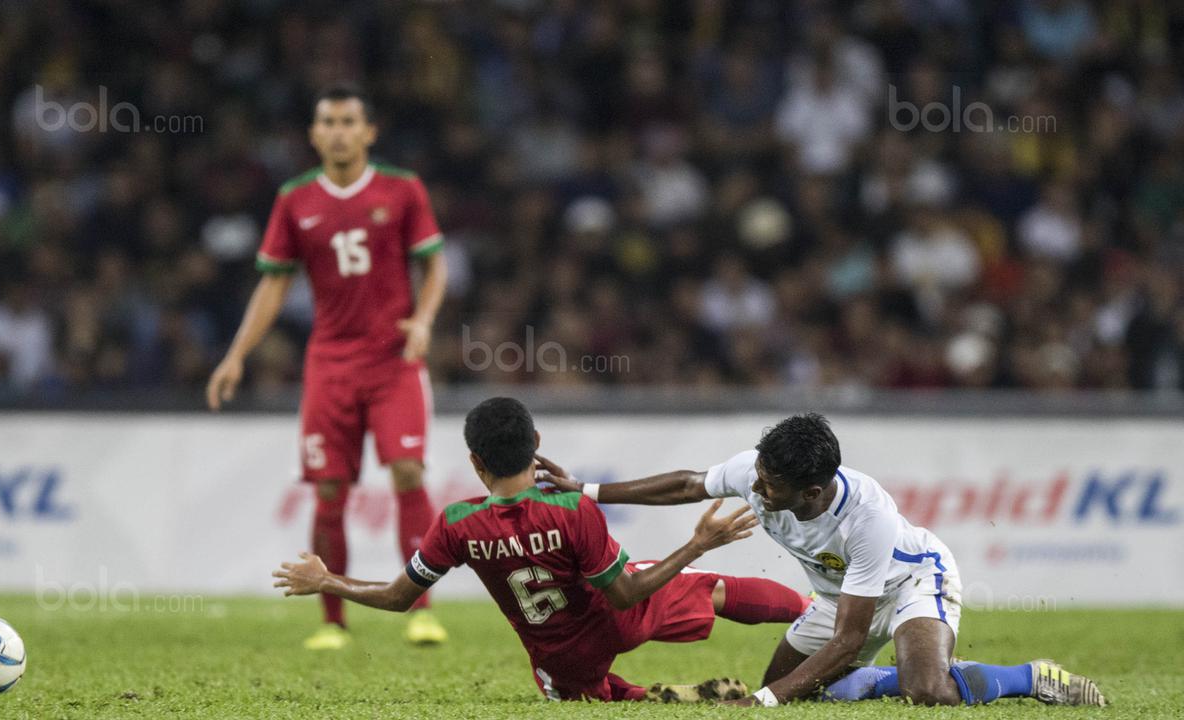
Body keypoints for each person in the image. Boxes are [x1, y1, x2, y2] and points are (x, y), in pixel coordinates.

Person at [537, 412, 1106, 707]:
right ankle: (889, 678)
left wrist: (761, 704)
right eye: (757, 475)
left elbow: (846, 640)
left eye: (770, 485)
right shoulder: (761, 471)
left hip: (910, 582)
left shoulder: (867, 518)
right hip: (841, 597)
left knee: (928, 692)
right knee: (793, 684)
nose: (755, 490)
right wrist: (585, 491)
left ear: (812, 492)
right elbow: (688, 484)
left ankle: (1032, 676)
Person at [273, 397, 810, 702]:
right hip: (619, 616)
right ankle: (815, 616)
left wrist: (326, 581)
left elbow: (397, 597)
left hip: (560, 654)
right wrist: (696, 545)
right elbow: (624, 596)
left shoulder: (458, 524)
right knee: (711, 590)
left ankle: (643, 697)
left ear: (477, 464)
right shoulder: (571, 510)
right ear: (536, 444)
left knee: (584, 701)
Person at [208, 85, 449, 650]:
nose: (338, 131)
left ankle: (420, 609)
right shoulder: (295, 199)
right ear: (314, 134)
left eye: (348, 121)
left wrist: (424, 320)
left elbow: (434, 268)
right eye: (328, 122)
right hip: (330, 366)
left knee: (409, 473)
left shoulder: (403, 189)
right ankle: (333, 622)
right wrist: (237, 354)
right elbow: (274, 283)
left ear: (369, 132)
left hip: (394, 362)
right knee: (330, 490)